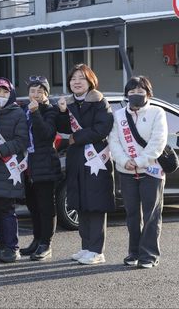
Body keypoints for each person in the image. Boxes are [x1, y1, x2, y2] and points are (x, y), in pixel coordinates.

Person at [56, 64, 114, 265]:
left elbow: (102, 129)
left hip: (96, 159)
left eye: (81, 78)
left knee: (95, 204)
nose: (77, 82)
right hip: (76, 159)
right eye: (73, 78)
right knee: (80, 202)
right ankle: (86, 246)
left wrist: (76, 137)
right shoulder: (68, 104)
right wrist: (63, 113)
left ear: (90, 81)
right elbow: (62, 128)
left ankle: (97, 250)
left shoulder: (100, 102)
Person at [109, 76, 167, 268]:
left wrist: (141, 161)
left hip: (152, 170)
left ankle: (149, 255)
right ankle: (134, 252)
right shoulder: (118, 116)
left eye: (140, 92)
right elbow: (114, 141)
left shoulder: (157, 112)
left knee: (151, 214)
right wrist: (125, 161)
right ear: (126, 95)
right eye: (132, 92)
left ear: (148, 94)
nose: (136, 95)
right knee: (132, 214)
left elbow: (158, 142)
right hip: (126, 171)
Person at [0, 78, 29, 263]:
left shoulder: (17, 113)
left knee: (7, 209)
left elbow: (22, 141)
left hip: (8, 167)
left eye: (5, 92)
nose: (1, 95)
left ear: (10, 94)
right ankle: (3, 244)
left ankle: (12, 247)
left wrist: (0, 150)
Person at [21, 76, 61, 261]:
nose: (35, 94)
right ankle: (36, 240)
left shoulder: (50, 110)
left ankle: (46, 243)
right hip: (28, 165)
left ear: (46, 93)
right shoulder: (25, 110)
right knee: (33, 205)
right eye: (32, 91)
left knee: (46, 206)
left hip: (45, 163)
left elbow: (46, 134)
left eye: (39, 91)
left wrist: (36, 113)